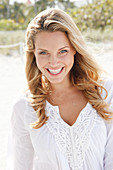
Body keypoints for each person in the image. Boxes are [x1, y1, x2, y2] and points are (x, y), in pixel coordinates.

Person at [7, 8, 113, 170]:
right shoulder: (23, 107)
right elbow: (19, 166)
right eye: (44, 53)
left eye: (62, 51)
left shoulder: (106, 91)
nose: (54, 62)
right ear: (33, 54)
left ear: (74, 49)